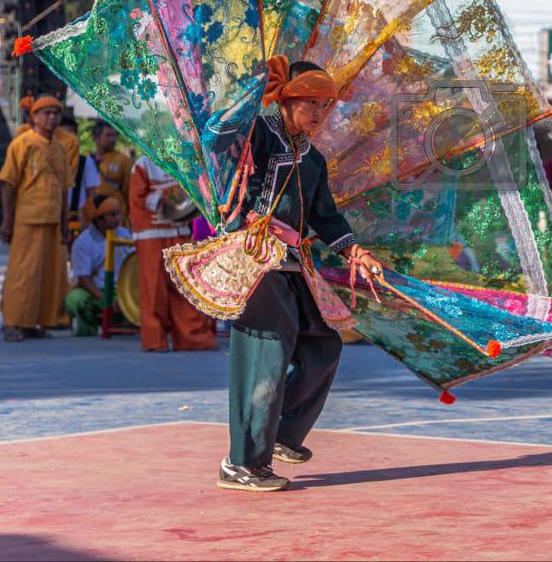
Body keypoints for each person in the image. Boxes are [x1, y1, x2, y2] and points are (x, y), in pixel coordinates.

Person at [219, 57, 385, 492]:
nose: (317, 112)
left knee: (322, 344)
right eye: (308, 101)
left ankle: (279, 434)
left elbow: (325, 217)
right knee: (268, 350)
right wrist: (249, 96)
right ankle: (242, 463)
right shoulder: (256, 134)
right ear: (285, 99)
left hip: (294, 259)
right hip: (253, 257)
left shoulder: (313, 159)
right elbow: (215, 139)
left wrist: (355, 251)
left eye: (324, 104)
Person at [0, 95, 72, 341]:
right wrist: (7, 221)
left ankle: (33, 323)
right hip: (27, 218)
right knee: (23, 273)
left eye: (55, 113)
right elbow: (7, 184)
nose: (51, 117)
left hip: (52, 219)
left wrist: (65, 224)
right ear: (34, 117)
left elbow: (64, 189)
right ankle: (12, 323)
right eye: (46, 113)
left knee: (48, 275)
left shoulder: (60, 148)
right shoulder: (22, 143)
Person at [130, 155, 215, 352]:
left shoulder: (182, 161)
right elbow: (139, 196)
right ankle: (155, 339)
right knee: (153, 290)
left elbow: (195, 193)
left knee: (186, 287)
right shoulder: (142, 164)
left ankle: (193, 338)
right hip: (151, 233)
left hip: (179, 231)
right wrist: (169, 199)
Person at [65, 195, 132, 336]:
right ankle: (88, 330)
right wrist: (104, 299)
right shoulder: (83, 242)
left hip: (121, 290)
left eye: (118, 213)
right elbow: (83, 279)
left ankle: (122, 322)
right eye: (112, 215)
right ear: (99, 219)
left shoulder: (125, 235)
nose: (118, 218)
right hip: (96, 292)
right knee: (75, 299)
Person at [88, 120, 133, 219]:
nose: (113, 139)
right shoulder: (87, 160)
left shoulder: (124, 161)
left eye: (115, 135)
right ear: (96, 138)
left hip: (116, 217)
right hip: (93, 215)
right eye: (108, 135)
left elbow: (129, 192)